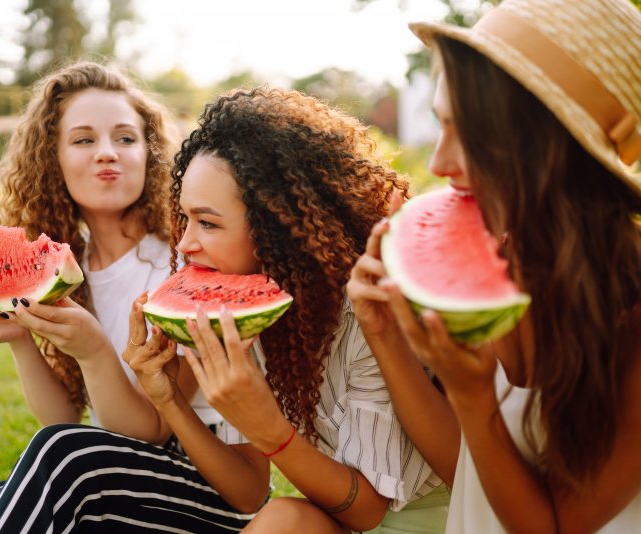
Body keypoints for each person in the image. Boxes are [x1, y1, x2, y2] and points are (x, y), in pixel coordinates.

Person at [0, 61, 269, 534]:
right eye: (84, 139)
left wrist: (93, 351)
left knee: (61, 457)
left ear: (150, 155)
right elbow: (63, 417)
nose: (107, 153)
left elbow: (148, 433)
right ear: (52, 159)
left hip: (209, 485)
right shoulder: (69, 270)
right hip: (109, 475)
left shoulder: (186, 266)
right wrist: (19, 339)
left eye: (126, 138)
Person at [347, 0, 641, 532]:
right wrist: (385, 335)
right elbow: (469, 469)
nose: (438, 163)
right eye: (441, 124)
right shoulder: (505, 262)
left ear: (551, 145)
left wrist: (471, 394)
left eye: (472, 135)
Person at [166, 86, 448, 533]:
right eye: (184, 219)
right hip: (346, 522)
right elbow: (247, 493)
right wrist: (171, 400)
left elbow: (369, 511)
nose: (185, 244)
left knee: (284, 518)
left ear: (277, 227)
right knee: (280, 515)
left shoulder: (363, 316)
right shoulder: (253, 316)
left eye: (208, 223)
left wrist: (270, 430)